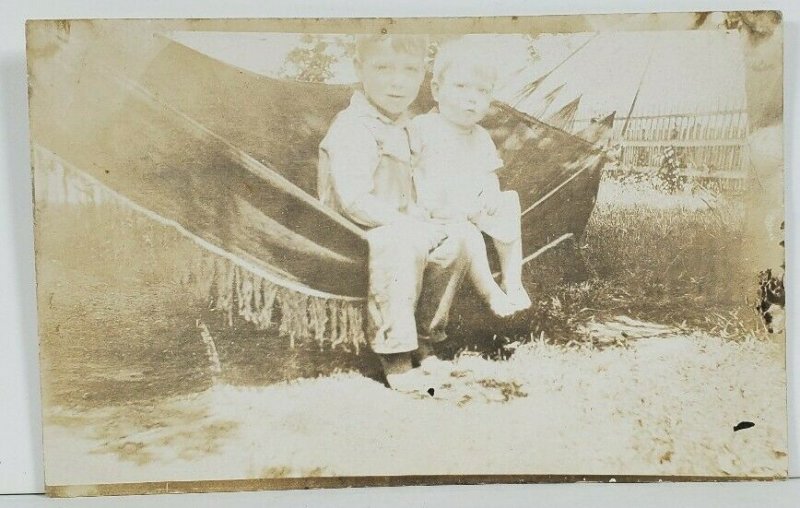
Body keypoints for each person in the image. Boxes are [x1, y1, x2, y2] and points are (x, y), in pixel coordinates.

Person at [317, 34, 469, 391]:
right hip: (350, 229)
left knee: (459, 238)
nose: (397, 81)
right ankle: (395, 353)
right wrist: (407, 223)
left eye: (409, 70)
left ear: (422, 76)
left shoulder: (406, 125)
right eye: (383, 68)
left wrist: (428, 217)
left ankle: (424, 336)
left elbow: (411, 186)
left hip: (397, 222)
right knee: (400, 243)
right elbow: (353, 200)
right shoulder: (354, 125)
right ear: (360, 69)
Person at [409, 39, 532, 314]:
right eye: (461, 86)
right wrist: (417, 207)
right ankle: (491, 293)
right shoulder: (422, 127)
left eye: (482, 90)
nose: (471, 97)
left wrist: (491, 193)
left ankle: (513, 282)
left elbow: (489, 174)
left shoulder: (481, 136)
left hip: (473, 206)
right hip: (438, 213)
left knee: (509, 201)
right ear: (437, 91)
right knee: (468, 235)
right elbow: (406, 170)